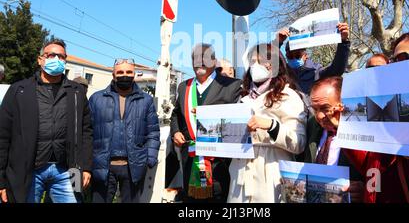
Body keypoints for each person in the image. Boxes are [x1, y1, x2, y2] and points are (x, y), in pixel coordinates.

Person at [345, 29, 409, 203]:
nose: (393, 69)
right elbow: (374, 169)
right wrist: (346, 126)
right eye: (392, 62)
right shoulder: (392, 111)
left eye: (402, 60)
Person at [0, 39, 93, 203]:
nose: (56, 59)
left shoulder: (77, 91)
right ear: (40, 59)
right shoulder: (19, 90)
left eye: (61, 57)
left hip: (70, 170)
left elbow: (86, 131)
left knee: (76, 199)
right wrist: (1, 180)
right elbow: (3, 135)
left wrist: (86, 167)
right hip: (28, 170)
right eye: (51, 55)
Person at [227, 43, 307, 203]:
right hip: (240, 174)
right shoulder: (242, 97)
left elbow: (299, 143)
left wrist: (271, 126)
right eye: (252, 61)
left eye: (262, 61)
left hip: (270, 172)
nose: (256, 66)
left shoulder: (288, 95)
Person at [170, 43, 241, 202]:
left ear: (214, 62)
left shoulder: (232, 85)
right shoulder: (184, 87)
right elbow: (175, 115)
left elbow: (238, 122)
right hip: (190, 160)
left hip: (219, 163)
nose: (199, 62)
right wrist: (175, 131)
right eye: (195, 58)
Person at [89, 58, 160, 203]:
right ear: (113, 75)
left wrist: (150, 159)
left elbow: (153, 132)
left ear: (134, 74)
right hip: (103, 166)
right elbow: (87, 131)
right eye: (120, 72)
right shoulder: (96, 99)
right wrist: (89, 161)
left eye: (129, 72)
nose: (125, 75)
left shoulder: (145, 100)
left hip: (134, 166)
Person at [303, 76, 364, 202]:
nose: (319, 116)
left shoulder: (363, 131)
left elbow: (378, 172)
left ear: (342, 104)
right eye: (315, 109)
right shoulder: (311, 126)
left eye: (325, 108)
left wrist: (365, 189)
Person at [274, 22, 350, 95]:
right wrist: (277, 42)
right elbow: (267, 63)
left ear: (306, 55)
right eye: (290, 56)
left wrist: (343, 42)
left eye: (297, 55)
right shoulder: (283, 73)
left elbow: (337, 70)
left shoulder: (316, 71)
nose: (293, 58)